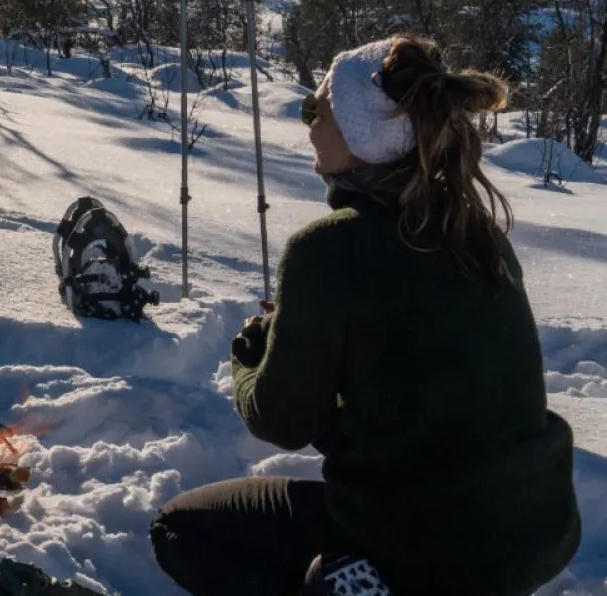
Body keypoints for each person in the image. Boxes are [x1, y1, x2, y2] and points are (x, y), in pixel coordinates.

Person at [149, 36, 581, 596]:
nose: (308, 124)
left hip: (422, 544)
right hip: (530, 536)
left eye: (318, 110)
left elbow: (280, 421)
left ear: (362, 133)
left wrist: (251, 355)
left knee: (179, 530)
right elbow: (413, 415)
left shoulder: (328, 249)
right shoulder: (480, 238)